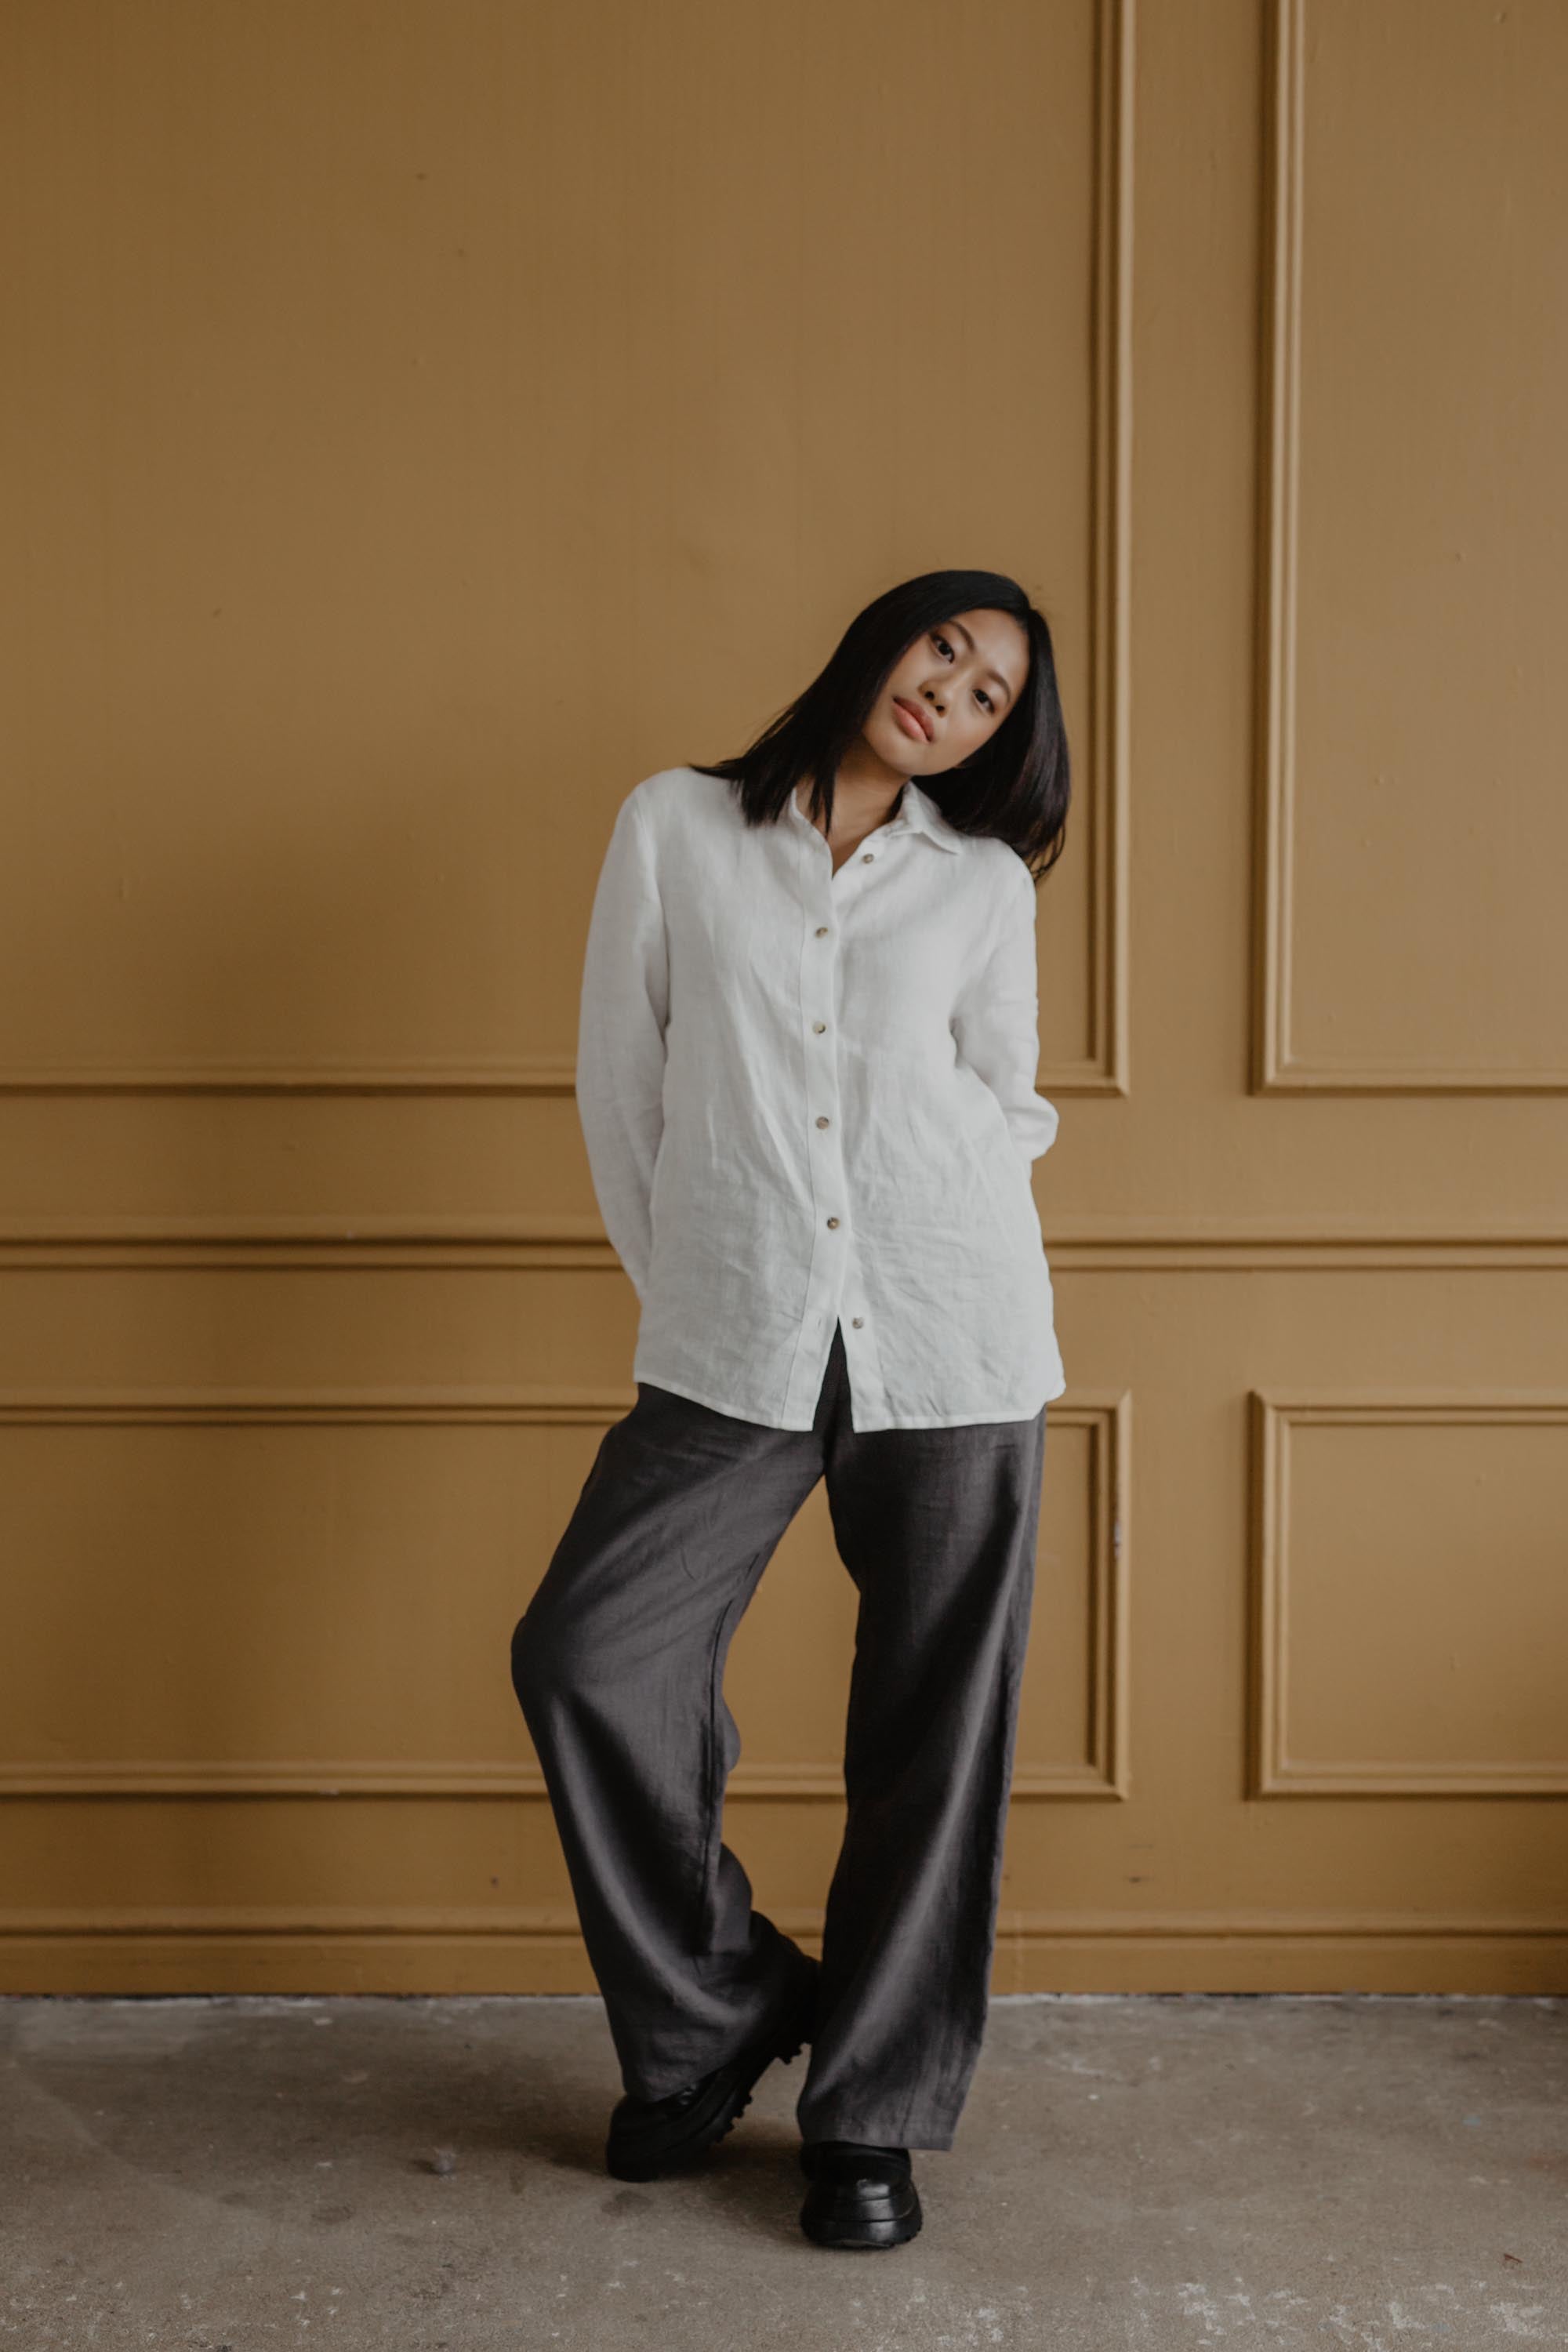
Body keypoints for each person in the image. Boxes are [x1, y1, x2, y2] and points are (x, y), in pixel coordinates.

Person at [510, 566, 1070, 2251]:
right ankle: (717, 2011)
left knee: (931, 1730)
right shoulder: (674, 826)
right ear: (884, 636)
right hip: (735, 1333)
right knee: (589, 1656)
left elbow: (1011, 1101)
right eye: (944, 653)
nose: (951, 698)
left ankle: (873, 2118)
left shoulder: (977, 884)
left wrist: (928, 1212)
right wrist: (709, 1279)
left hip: (952, 1333)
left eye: (988, 698)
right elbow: (626, 1086)